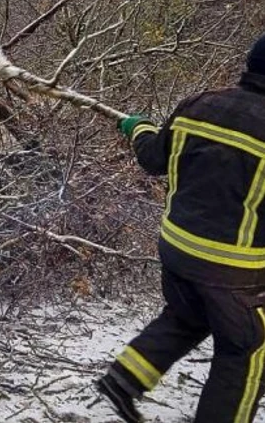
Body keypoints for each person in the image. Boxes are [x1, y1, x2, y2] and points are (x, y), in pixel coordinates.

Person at [98, 32, 265, 423]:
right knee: (245, 350)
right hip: (234, 270)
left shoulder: (199, 105)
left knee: (186, 316)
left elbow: (154, 158)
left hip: (176, 249)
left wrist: (137, 128)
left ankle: (123, 379)